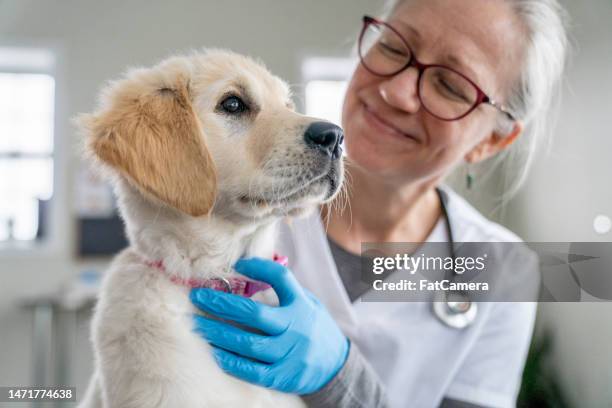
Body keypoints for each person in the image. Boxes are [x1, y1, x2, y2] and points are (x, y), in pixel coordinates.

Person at [189, 0, 569, 406]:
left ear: (493, 140)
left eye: (451, 86)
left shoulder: (503, 269)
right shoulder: (227, 209)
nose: (395, 91)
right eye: (392, 46)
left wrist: (338, 378)